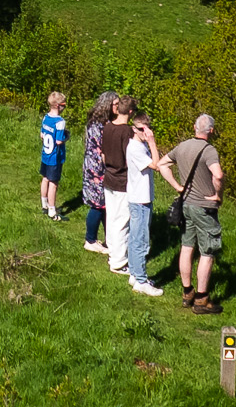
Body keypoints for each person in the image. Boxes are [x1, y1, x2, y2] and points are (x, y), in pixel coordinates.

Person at [163, 112, 227, 311]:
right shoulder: (209, 151)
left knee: (187, 246)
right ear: (212, 131)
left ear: (194, 127)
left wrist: (177, 186)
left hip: (187, 205)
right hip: (204, 207)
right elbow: (218, 175)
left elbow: (162, 164)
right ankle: (201, 299)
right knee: (207, 251)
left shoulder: (183, 146)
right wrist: (217, 194)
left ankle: (187, 291)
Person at [116, 108, 166, 297]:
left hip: (141, 197)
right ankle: (141, 280)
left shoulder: (138, 146)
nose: (146, 133)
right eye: (142, 129)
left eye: (148, 129)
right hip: (140, 200)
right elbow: (156, 165)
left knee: (137, 237)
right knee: (141, 240)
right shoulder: (136, 148)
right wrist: (153, 143)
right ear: (134, 129)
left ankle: (135, 275)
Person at [81, 96, 119, 256]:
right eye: (115, 104)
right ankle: (90, 240)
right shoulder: (99, 125)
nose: (118, 107)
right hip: (96, 168)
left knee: (104, 204)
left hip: (97, 166)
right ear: (107, 105)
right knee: (97, 204)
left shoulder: (99, 122)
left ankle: (107, 239)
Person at [37, 90, 70, 222]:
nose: (64, 108)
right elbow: (59, 141)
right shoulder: (60, 121)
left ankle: (44, 203)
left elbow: (42, 135)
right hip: (55, 157)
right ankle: (52, 210)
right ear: (58, 106)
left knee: (45, 178)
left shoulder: (46, 117)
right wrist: (67, 136)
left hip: (45, 154)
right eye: (64, 105)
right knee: (53, 183)